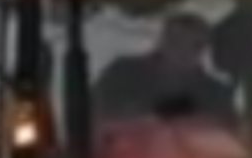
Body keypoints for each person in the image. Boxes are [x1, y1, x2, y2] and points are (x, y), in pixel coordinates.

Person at [92, 8, 242, 124]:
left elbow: (231, 136)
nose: (184, 51)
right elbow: (92, 116)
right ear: (162, 41)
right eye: (176, 41)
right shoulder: (122, 74)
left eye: (195, 45)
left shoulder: (216, 94)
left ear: (204, 50)